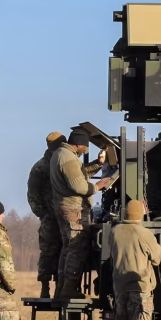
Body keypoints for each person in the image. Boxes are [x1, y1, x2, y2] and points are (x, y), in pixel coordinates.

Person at [49, 127, 111, 299]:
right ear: (78, 144)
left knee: (68, 248)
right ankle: (68, 289)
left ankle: (61, 289)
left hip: (65, 207)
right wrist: (98, 186)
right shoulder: (68, 158)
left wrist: (98, 163)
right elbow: (79, 186)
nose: (85, 150)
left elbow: (78, 175)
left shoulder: (62, 154)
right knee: (77, 248)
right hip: (74, 209)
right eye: (85, 147)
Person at [105, 200, 161, 320]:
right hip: (140, 286)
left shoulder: (115, 232)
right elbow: (157, 259)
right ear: (141, 214)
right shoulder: (144, 233)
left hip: (120, 286)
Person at [26, 131, 65, 298]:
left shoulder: (63, 162)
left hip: (63, 216)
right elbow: (32, 194)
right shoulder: (41, 167)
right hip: (50, 217)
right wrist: (43, 214)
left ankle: (59, 288)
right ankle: (45, 288)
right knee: (48, 252)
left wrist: (98, 164)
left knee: (63, 252)